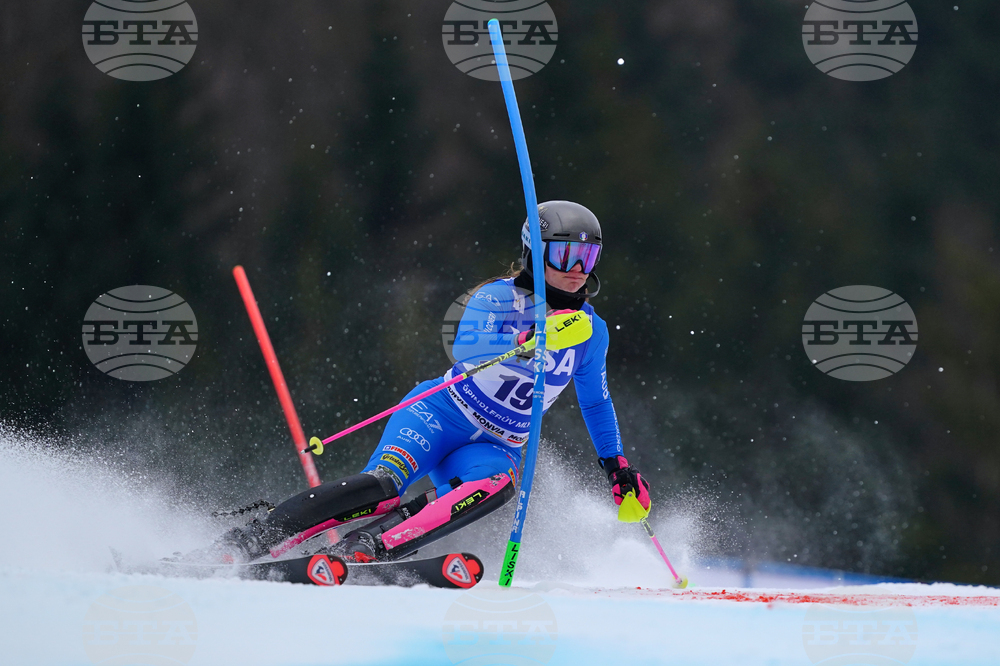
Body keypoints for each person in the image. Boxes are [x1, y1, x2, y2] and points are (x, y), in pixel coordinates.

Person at [216, 200, 652, 564]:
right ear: (535, 253)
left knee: (497, 484)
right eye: (564, 255)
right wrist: (529, 339)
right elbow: (468, 349)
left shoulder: (592, 332)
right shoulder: (498, 297)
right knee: (383, 488)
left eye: (588, 257)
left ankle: (372, 547)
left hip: (496, 445)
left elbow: (596, 402)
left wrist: (616, 467)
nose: (577, 269)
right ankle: (249, 540)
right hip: (440, 414)